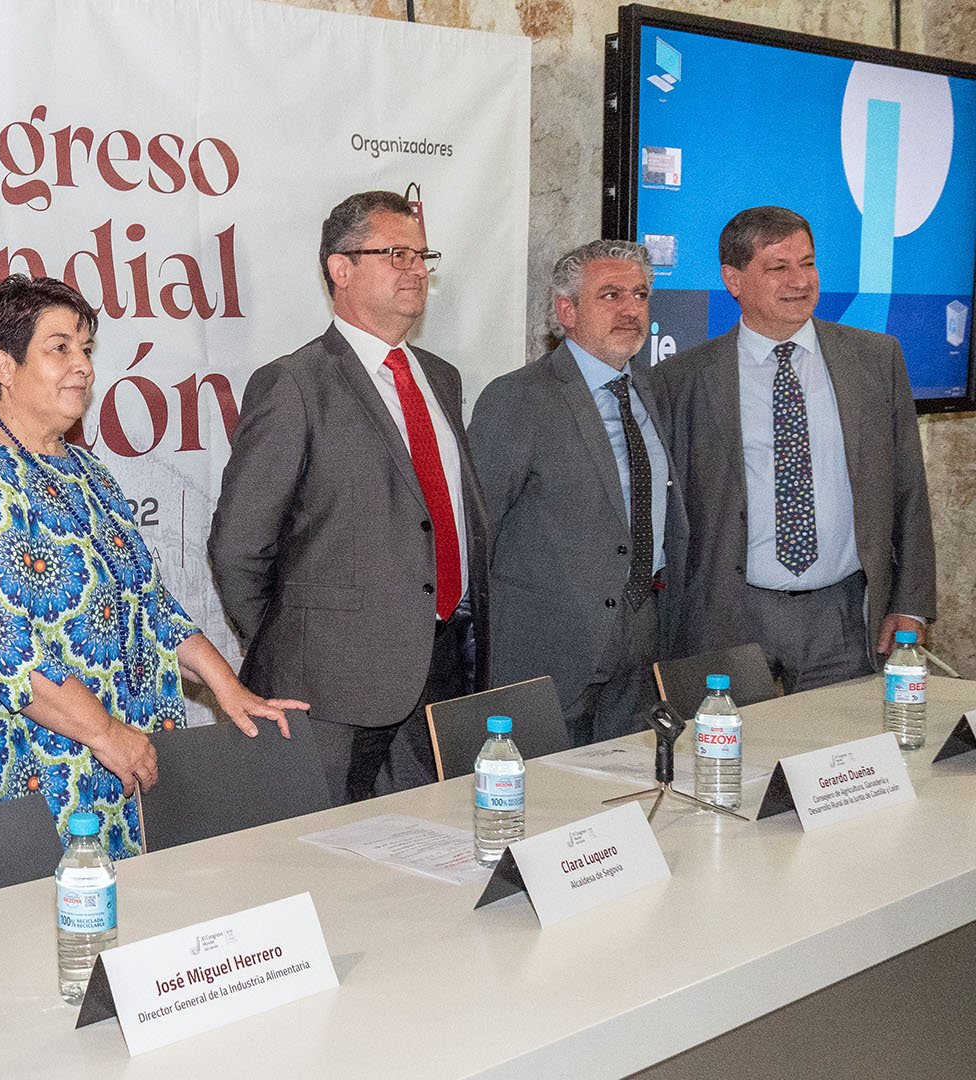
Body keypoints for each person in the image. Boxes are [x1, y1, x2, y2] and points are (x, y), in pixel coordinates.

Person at [0, 274, 303, 857]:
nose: (84, 367)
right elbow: (7, 657)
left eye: (86, 349)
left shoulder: (82, 467)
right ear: (3, 366)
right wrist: (106, 734)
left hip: (120, 762)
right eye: (60, 348)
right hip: (38, 780)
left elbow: (150, 604)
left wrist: (231, 689)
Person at [209, 190, 490, 806]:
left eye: (421, 255)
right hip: (330, 690)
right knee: (323, 860)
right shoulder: (295, 383)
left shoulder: (441, 377)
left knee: (422, 852)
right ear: (341, 269)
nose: (415, 269)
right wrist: (299, 642)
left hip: (443, 670)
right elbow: (238, 546)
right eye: (395, 254)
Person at [648, 206, 935, 692]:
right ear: (733, 280)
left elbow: (908, 489)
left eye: (807, 263)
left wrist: (910, 603)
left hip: (843, 615)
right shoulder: (681, 379)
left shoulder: (875, 358)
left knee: (842, 760)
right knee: (727, 759)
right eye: (778, 268)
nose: (800, 281)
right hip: (726, 614)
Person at [470, 240, 687, 744]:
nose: (631, 309)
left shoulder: (653, 392)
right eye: (610, 295)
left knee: (622, 797)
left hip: (640, 645)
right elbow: (479, 529)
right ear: (566, 310)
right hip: (545, 649)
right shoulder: (518, 397)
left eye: (640, 294)